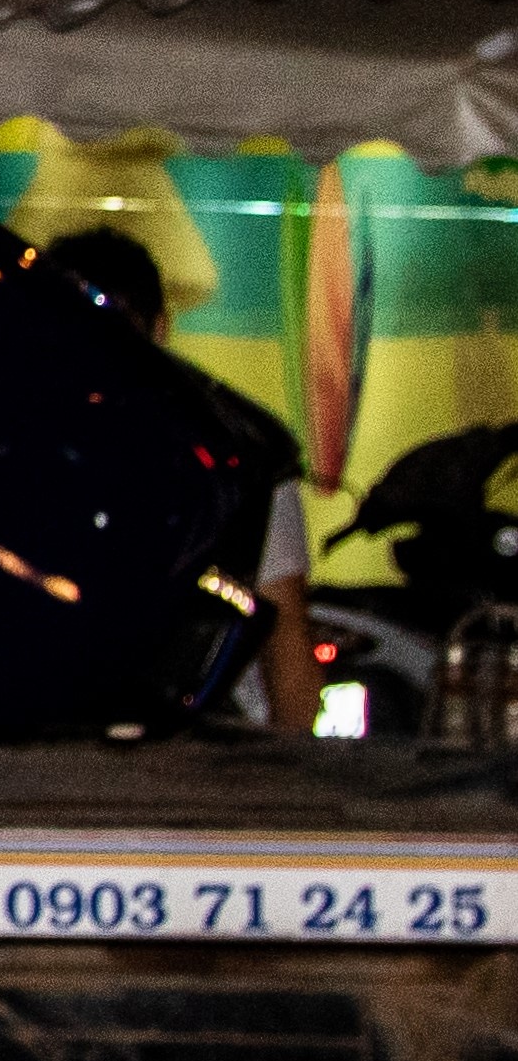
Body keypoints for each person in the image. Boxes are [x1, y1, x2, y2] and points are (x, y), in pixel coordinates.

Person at [40, 225, 317, 733]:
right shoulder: (240, 449)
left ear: (158, 329)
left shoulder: (238, 456)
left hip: (195, 747)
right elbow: (289, 636)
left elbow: (287, 637)